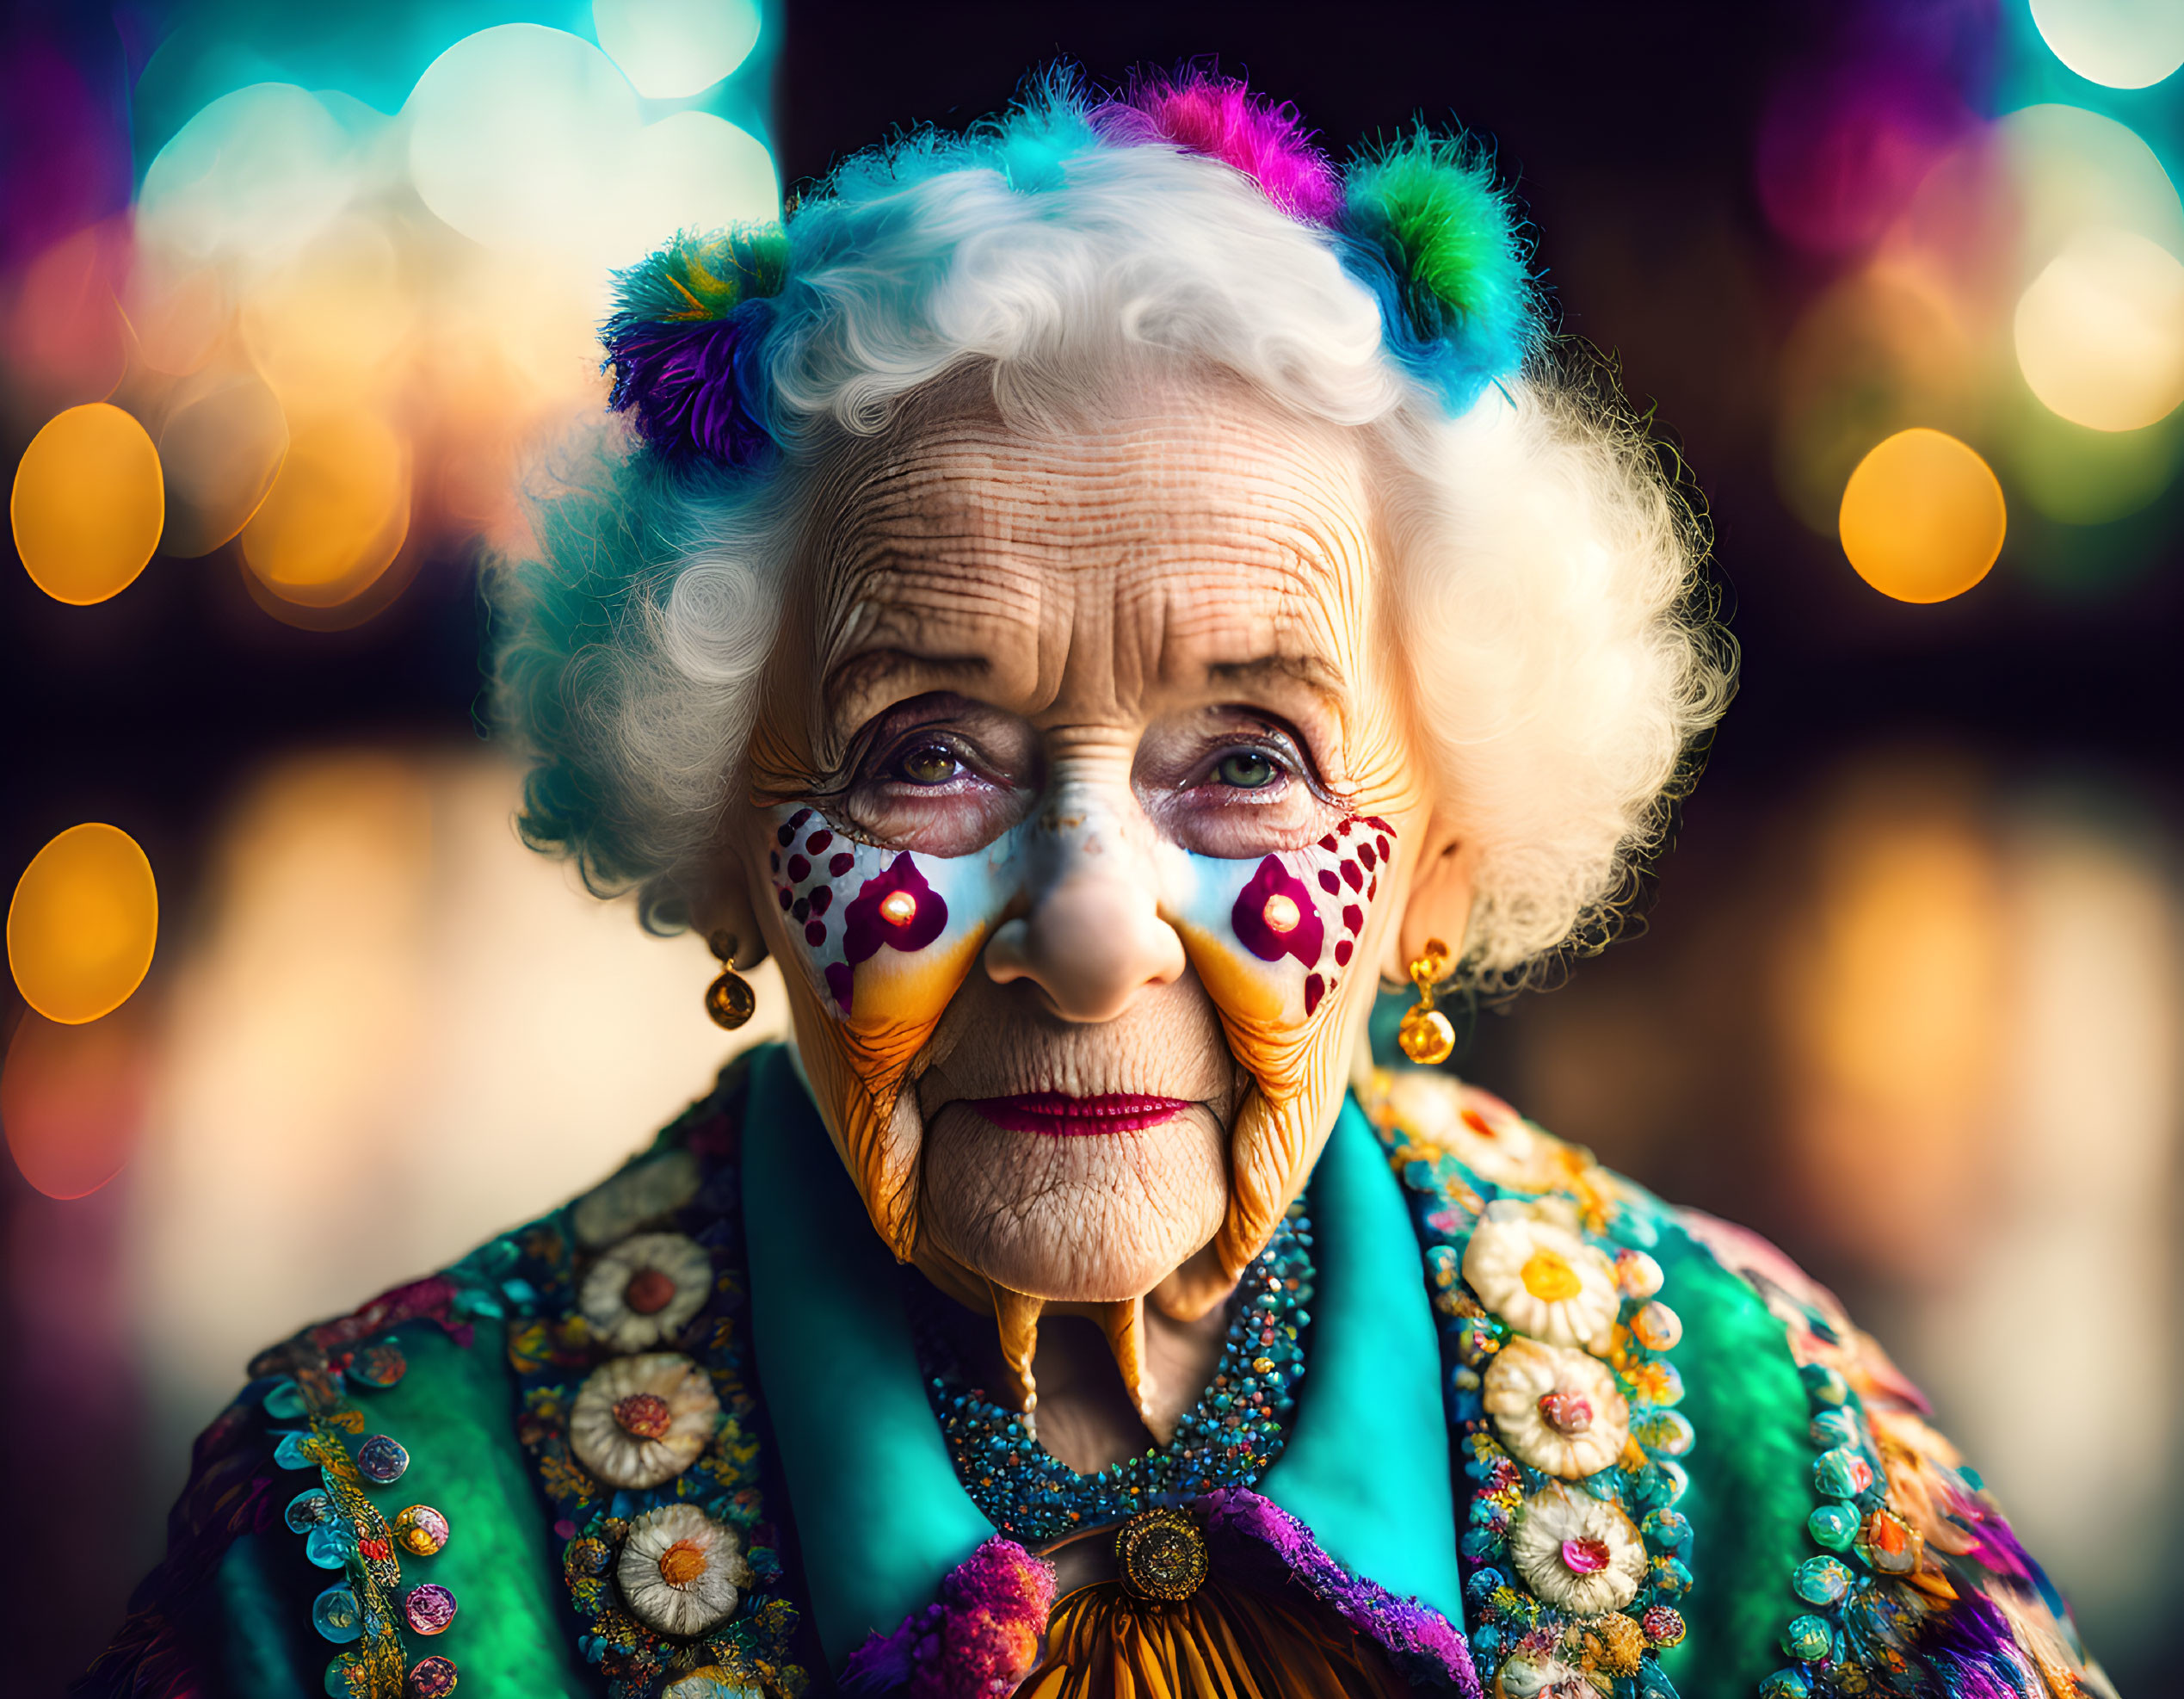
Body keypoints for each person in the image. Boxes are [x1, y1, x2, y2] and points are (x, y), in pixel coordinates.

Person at [84, 68, 2110, 1699]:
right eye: (927, 755)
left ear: (1440, 861)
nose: (1083, 928)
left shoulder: (1771, 1477)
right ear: (728, 846)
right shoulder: (358, 1541)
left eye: (1249, 762)